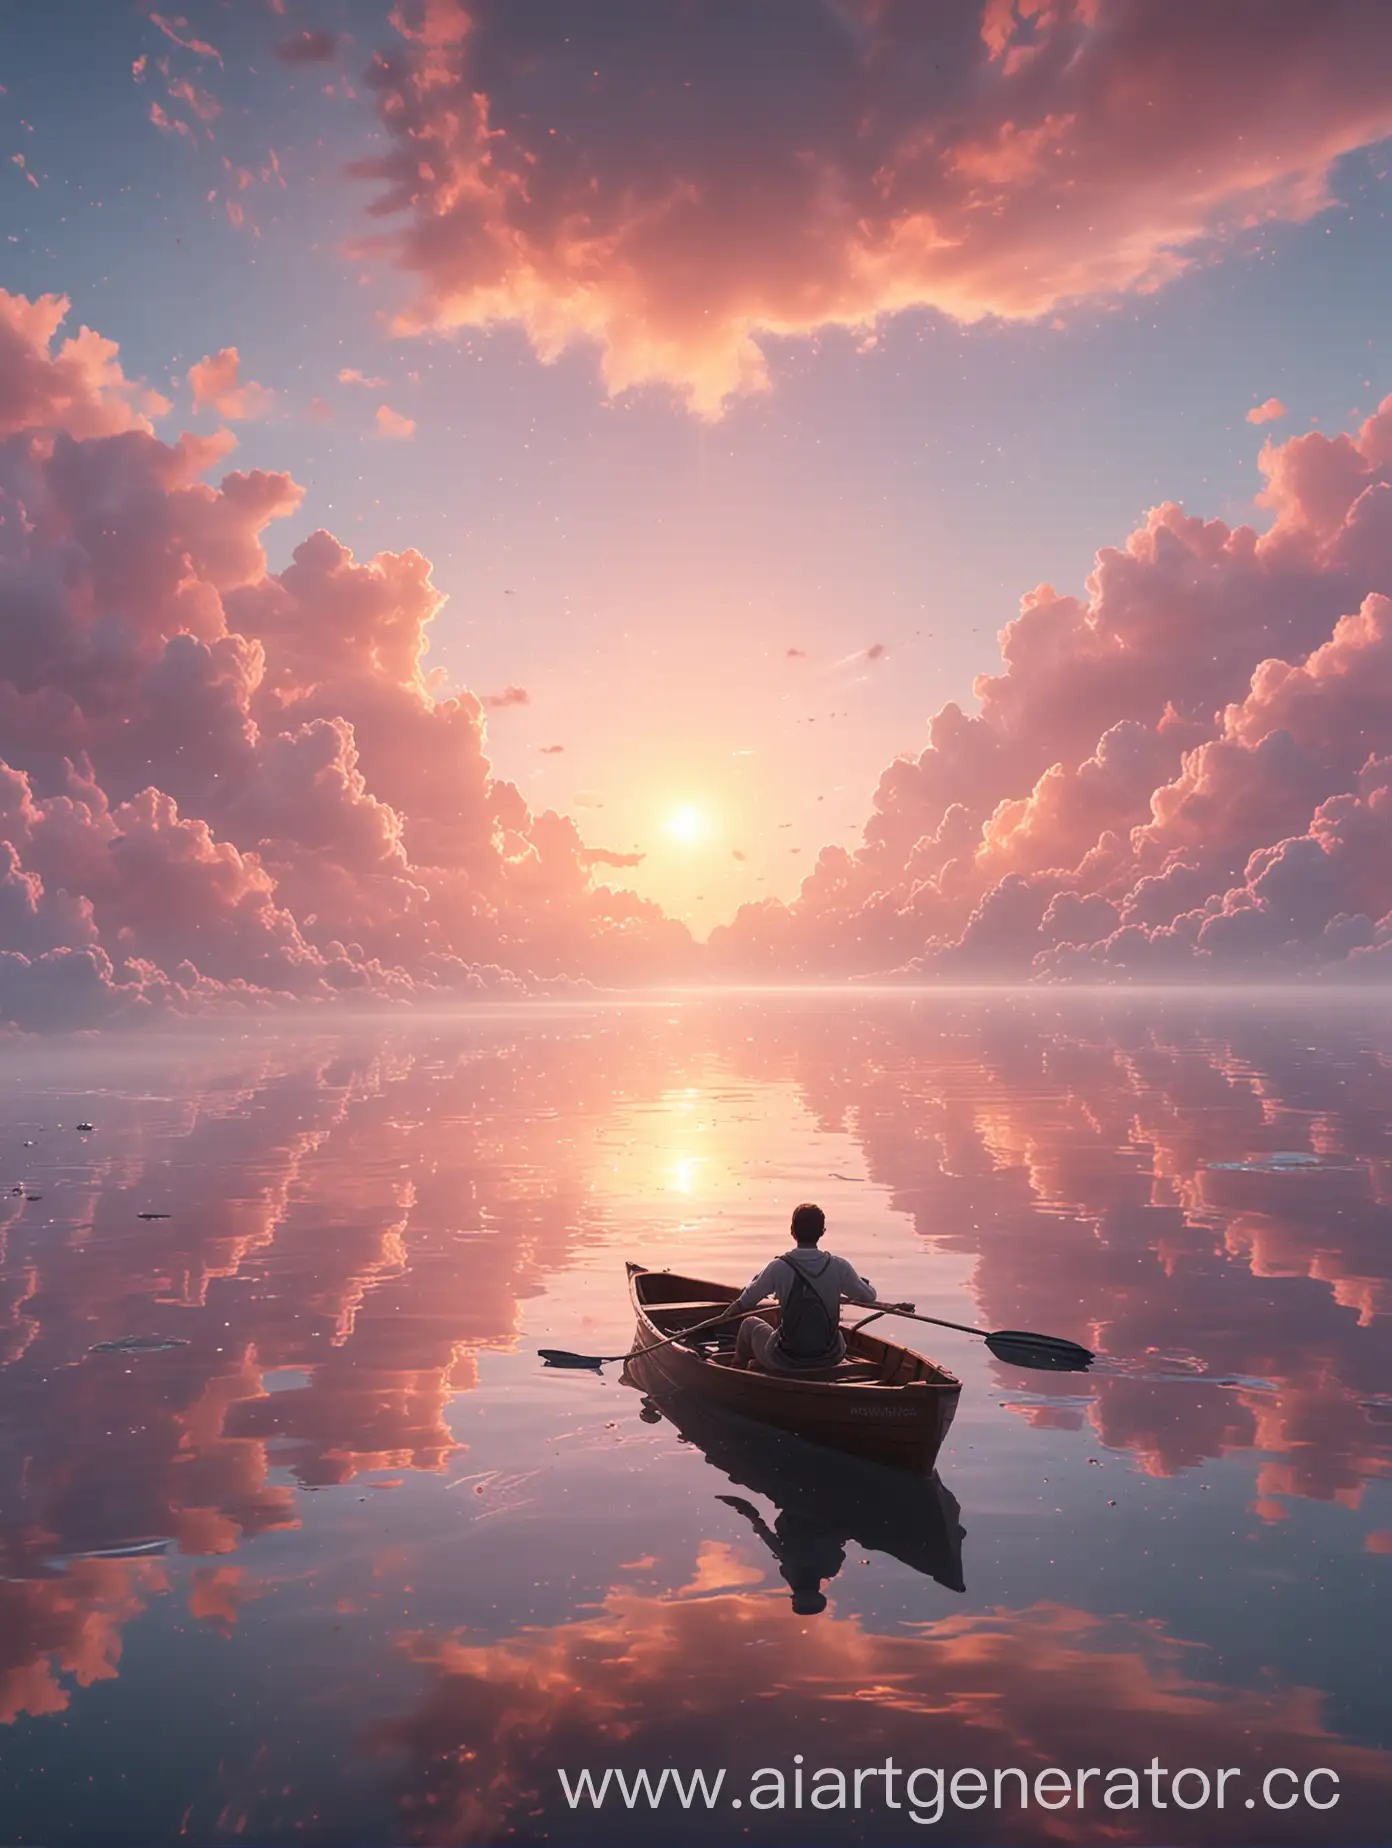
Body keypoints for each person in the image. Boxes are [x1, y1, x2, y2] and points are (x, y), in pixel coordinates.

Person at [721, 1202, 913, 1374]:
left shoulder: (777, 1267)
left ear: (792, 1231)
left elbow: (746, 1302)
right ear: (822, 1232)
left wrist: (729, 1312)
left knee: (749, 1324)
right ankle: (761, 1366)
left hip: (785, 1360)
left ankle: (736, 1371)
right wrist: (859, 1282)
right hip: (830, 1358)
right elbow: (869, 1297)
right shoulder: (839, 1266)